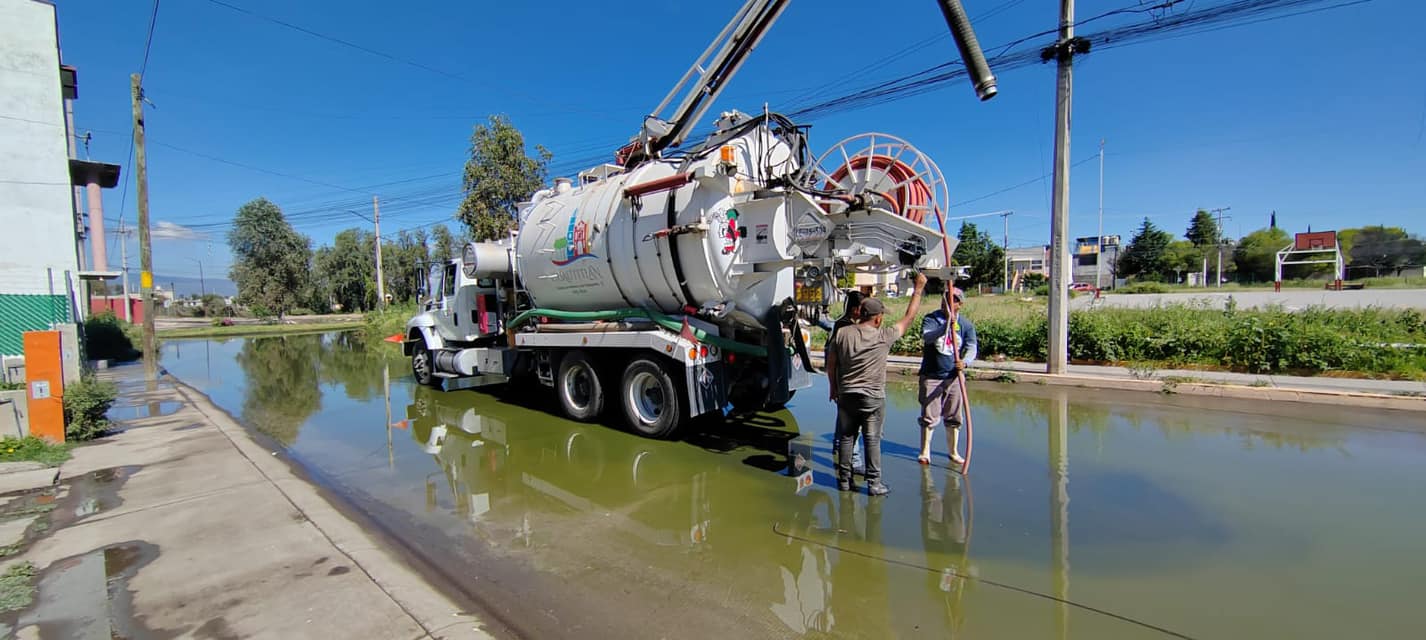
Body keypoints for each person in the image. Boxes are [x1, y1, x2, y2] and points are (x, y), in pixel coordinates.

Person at [826, 273, 927, 495]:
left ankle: (844, 482)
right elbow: (909, 317)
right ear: (878, 318)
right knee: (871, 440)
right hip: (872, 398)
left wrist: (833, 388)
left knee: (846, 437)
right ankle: (874, 484)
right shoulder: (884, 336)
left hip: (846, 395)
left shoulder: (841, 333)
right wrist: (918, 289)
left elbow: (830, 364)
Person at [917, 287, 977, 466]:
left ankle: (953, 452)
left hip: (954, 377)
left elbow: (972, 346)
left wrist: (965, 362)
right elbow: (927, 337)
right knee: (929, 415)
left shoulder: (966, 325)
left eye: (953, 299)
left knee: (954, 416)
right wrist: (946, 326)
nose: (948, 302)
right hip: (932, 375)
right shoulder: (931, 319)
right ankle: (925, 452)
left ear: (960, 304)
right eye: (945, 298)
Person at [816, 290, 866, 475]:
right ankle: (854, 460)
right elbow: (833, 359)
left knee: (844, 417)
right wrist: (834, 385)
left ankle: (838, 446)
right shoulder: (845, 327)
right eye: (863, 308)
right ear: (855, 309)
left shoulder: (841, 324)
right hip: (847, 381)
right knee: (854, 424)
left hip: (844, 380)